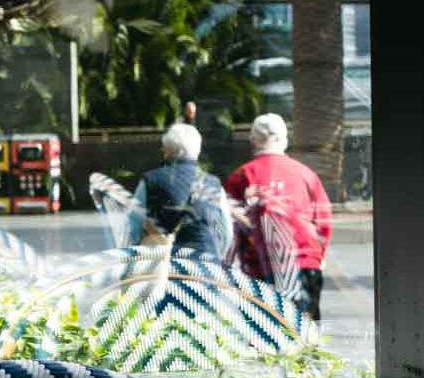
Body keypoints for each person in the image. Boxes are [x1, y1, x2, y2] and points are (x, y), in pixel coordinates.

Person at [225, 113, 334, 320]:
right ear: (284, 140)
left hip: (258, 270)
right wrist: (319, 256)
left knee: (262, 334)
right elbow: (323, 220)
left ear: (253, 141)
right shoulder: (305, 174)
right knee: (303, 333)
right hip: (304, 265)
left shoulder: (241, 176)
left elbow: (228, 225)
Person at [130, 122, 225, 256]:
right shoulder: (213, 183)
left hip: (166, 265)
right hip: (207, 265)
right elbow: (225, 231)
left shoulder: (150, 180)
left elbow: (134, 227)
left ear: (167, 151)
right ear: (197, 150)